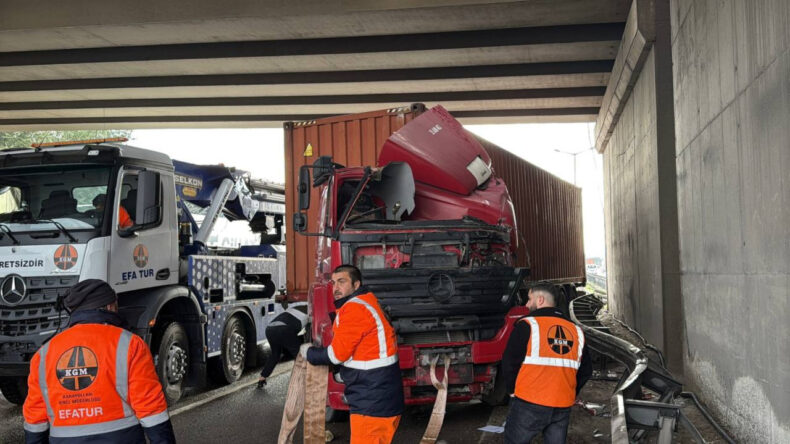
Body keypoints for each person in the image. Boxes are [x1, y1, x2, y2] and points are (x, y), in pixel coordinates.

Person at [23, 279, 176, 444]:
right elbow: (150, 407)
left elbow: (35, 416)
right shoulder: (130, 344)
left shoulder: (44, 353)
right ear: (109, 307)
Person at [305, 265, 403, 444]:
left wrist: (309, 353)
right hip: (377, 397)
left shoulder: (354, 309)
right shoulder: (366, 301)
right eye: (333, 283)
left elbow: (336, 355)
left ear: (356, 285)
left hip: (372, 402)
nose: (335, 288)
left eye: (342, 282)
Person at [500, 282, 592, 444]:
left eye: (529, 299)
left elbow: (510, 362)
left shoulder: (528, 325)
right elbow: (586, 370)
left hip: (529, 402)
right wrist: (569, 392)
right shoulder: (576, 331)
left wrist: (512, 391)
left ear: (540, 300)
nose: (527, 304)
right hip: (562, 404)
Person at [257, 302, 308, 388]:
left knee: (275, 355)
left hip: (270, 329)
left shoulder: (296, 308)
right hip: (284, 329)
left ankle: (262, 378)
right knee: (300, 354)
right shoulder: (311, 312)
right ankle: (305, 380)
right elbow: (309, 332)